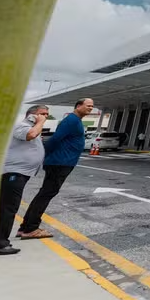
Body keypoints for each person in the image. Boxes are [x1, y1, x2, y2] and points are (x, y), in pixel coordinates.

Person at [18, 98, 94, 240]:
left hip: (62, 162)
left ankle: (26, 227)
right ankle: (30, 228)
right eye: (88, 106)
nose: (91, 108)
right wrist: (43, 154)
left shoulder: (75, 120)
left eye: (92, 106)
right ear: (78, 106)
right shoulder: (71, 120)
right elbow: (55, 139)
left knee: (45, 194)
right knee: (46, 194)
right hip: (60, 163)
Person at [0, 105, 49, 255]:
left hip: (19, 173)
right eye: (42, 114)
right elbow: (30, 135)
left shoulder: (31, 126)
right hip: (13, 173)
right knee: (8, 208)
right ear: (31, 115)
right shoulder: (22, 126)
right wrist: (39, 122)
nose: (45, 117)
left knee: (7, 207)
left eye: (47, 115)